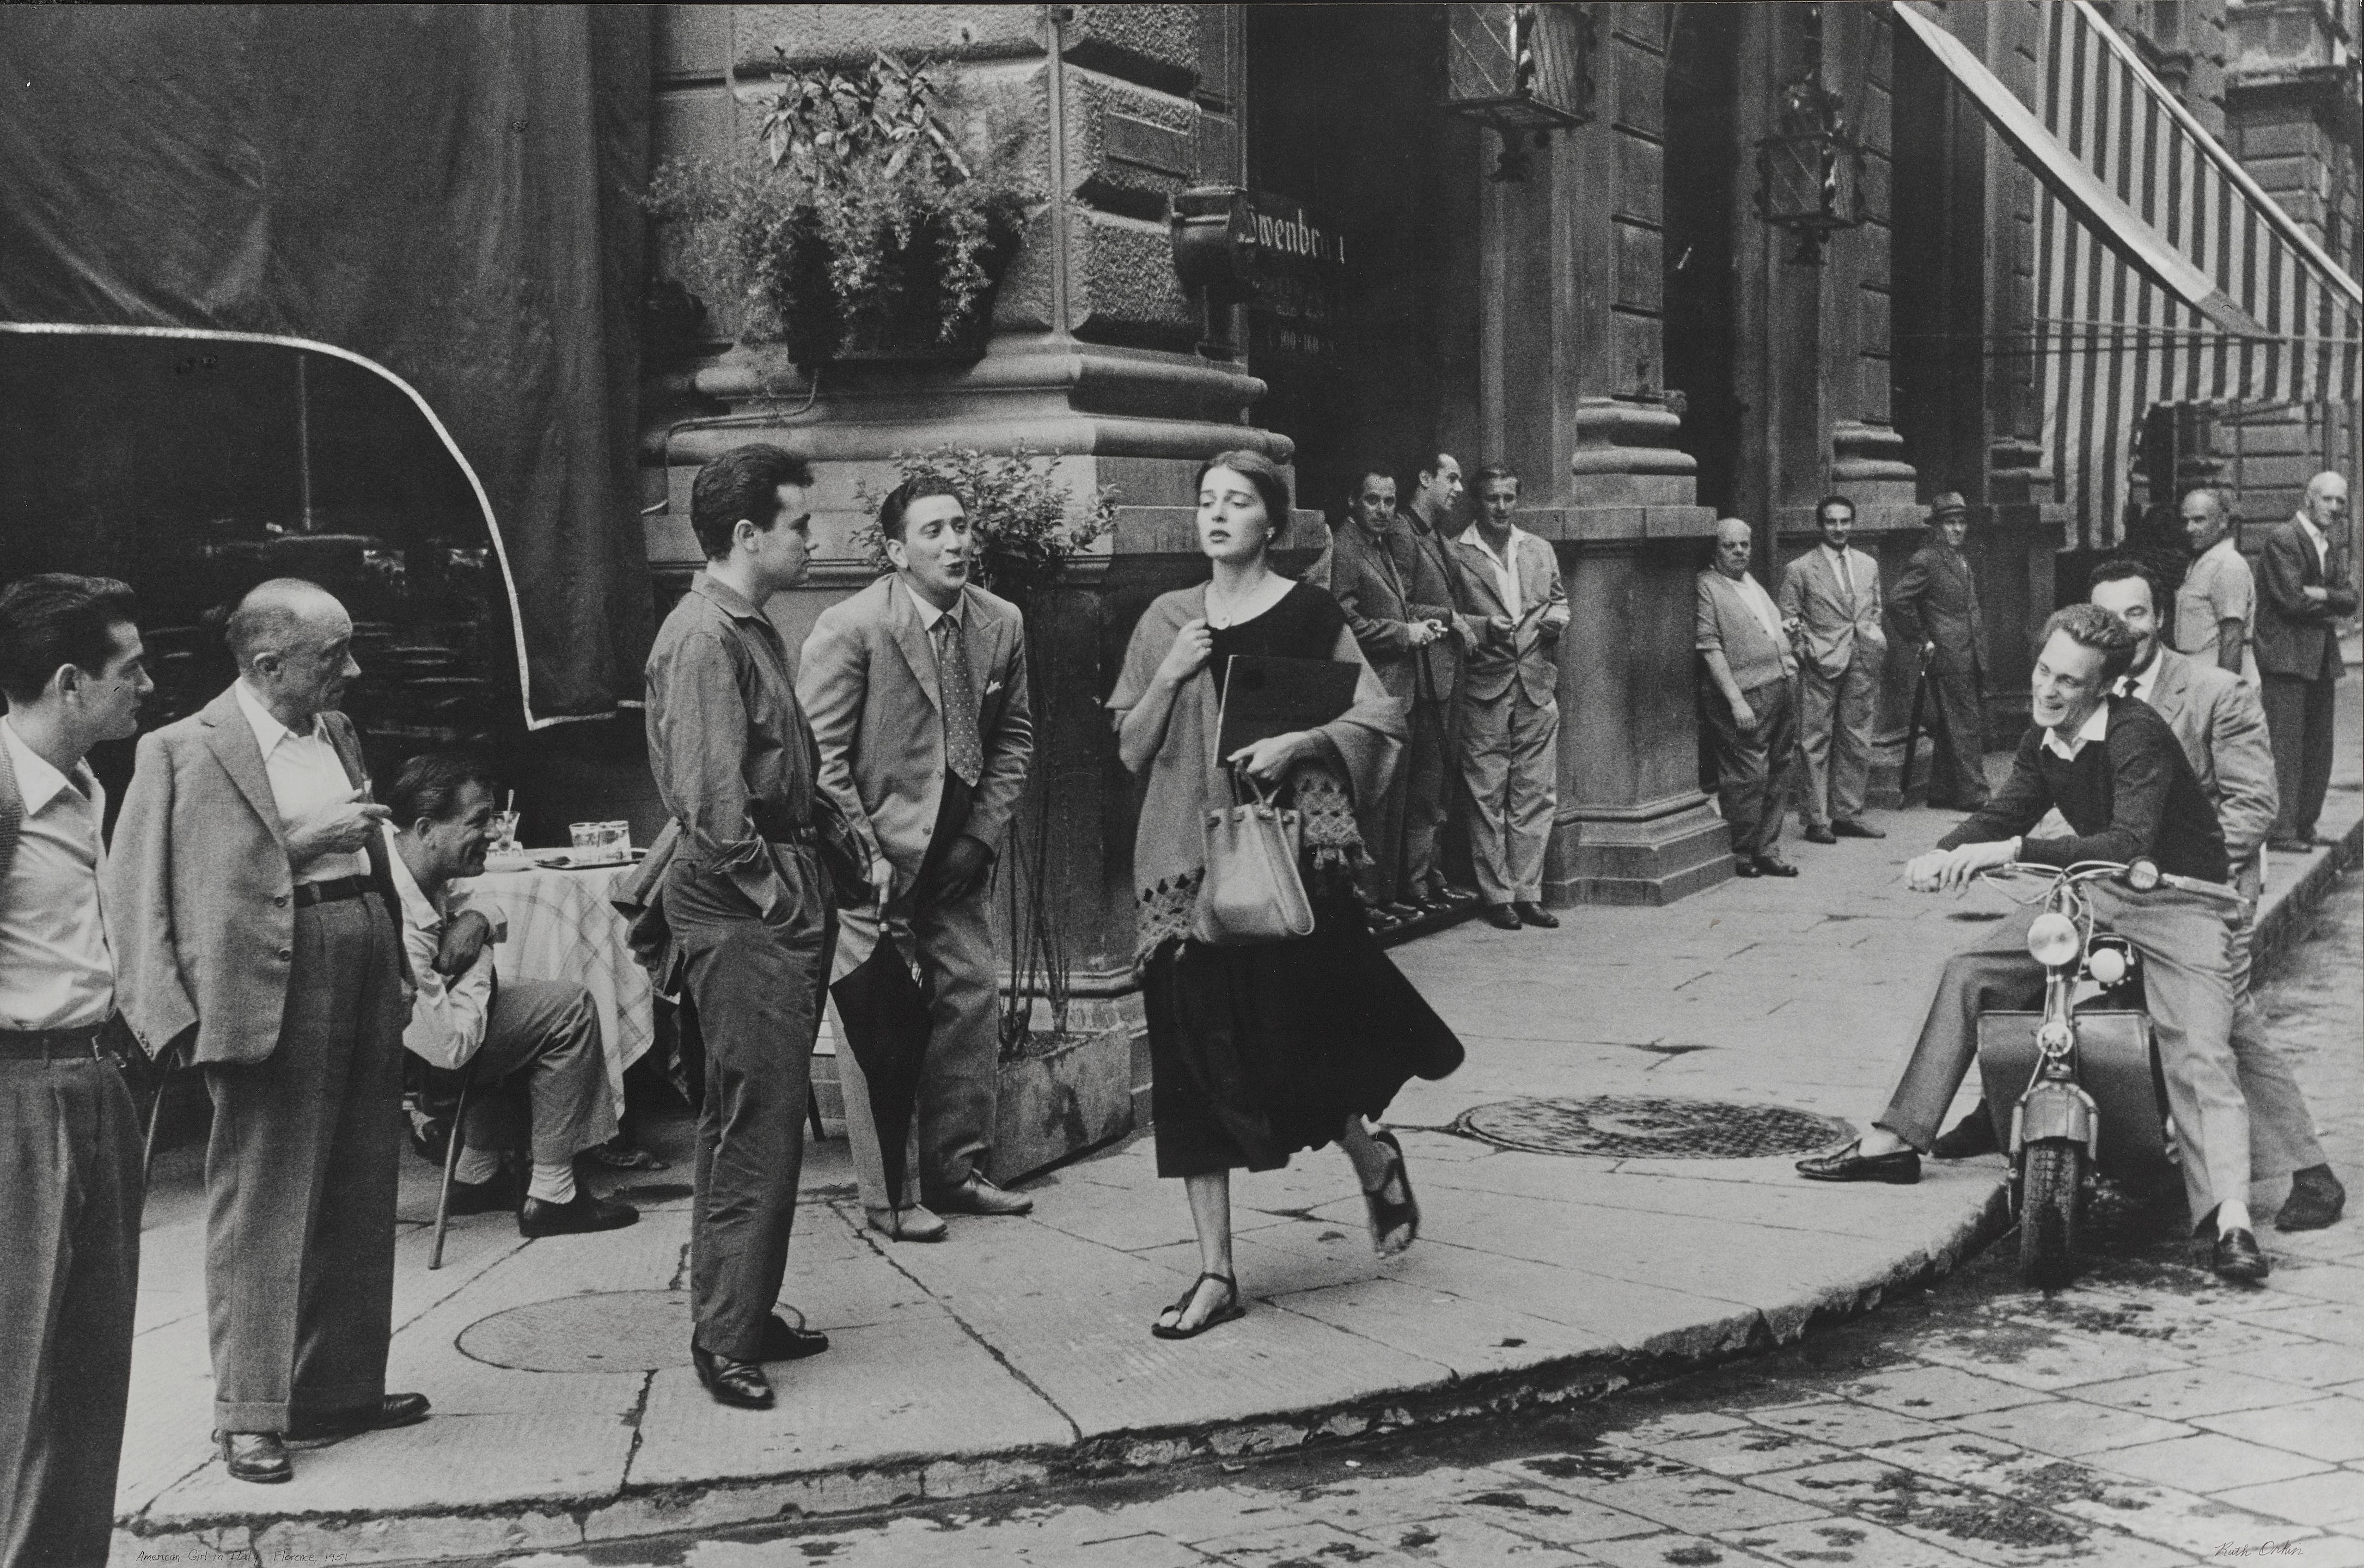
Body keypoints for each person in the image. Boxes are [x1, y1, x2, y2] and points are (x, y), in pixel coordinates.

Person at [1797, 605, 2268, 1283]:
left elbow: (2126, 841)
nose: (2048, 691)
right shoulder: (2044, 738)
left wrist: (2007, 852)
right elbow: (2006, 810)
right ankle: (1895, 1140)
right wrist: (1942, 852)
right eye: (2045, 671)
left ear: (2102, 689)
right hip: (2094, 896)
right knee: (1970, 970)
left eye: (2069, 683)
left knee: (2200, 1049)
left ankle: (2230, 1220)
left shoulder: (2138, 735)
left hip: (2179, 903)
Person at [1109, 449, 1463, 1338]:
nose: (1217, 516)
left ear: (1273, 523)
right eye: (1206, 502)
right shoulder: (1166, 619)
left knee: (1293, 1051)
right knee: (1192, 1071)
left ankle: (1368, 1154)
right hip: (1185, 866)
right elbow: (1129, 748)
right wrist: (1169, 674)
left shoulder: (1308, 615)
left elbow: (1379, 715)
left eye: (1236, 503)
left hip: (1290, 863)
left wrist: (1299, 743)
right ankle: (1215, 1271)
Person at [108, 578, 423, 1483]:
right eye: (335, 656)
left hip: (359, 951)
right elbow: (139, 893)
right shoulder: (180, 750)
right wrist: (165, 1020)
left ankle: (339, 1388)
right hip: (265, 979)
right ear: (267, 662)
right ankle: (249, 1414)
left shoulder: (337, 731)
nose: (353, 670)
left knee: (362, 1180)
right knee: (263, 1200)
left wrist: (398, 961)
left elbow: (372, 857)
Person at [1927, 562, 2342, 1230]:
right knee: (2026, 960)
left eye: (2137, 613)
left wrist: (2168, 872)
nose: (2125, 627)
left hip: (2195, 886)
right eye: (2108, 615)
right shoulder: (2076, 695)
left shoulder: (2214, 691)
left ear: (2160, 621)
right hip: (2108, 879)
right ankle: (1999, 1110)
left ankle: (2306, 1171)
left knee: (2221, 1028)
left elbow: (2252, 804)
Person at [642, 444, 835, 1411]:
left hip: (765, 897)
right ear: (748, 535)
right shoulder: (705, 639)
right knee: (754, 1120)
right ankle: (725, 1337)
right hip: (743, 907)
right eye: (802, 525)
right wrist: (783, 897)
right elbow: (716, 807)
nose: (815, 540)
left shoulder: (742, 627)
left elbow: (775, 764)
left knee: (757, 1117)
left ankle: (742, 1306)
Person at [799, 476, 1037, 1242]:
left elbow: (1013, 739)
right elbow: (821, 761)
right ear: (897, 551)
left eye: (962, 527)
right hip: (870, 862)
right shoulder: (853, 626)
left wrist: (980, 836)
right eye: (932, 531)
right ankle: (891, 1198)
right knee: (882, 1028)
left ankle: (958, 1171)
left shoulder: (1001, 624)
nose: (955, 542)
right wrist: (864, 857)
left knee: (969, 1000)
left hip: (956, 855)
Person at [0, 575, 151, 1567]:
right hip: (20, 1097)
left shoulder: (86, 787)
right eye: (130, 668)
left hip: (95, 1084)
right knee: (21, 1385)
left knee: (93, 1373)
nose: (148, 683)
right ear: (69, 683)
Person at [382, 752, 637, 1237]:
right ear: (426, 828)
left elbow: (477, 905)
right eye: (479, 821)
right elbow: (451, 1050)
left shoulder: (414, 867)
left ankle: (478, 1171)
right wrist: (478, 958)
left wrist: (477, 921)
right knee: (569, 1010)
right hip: (417, 1068)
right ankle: (553, 1193)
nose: (495, 834)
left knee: (518, 1005)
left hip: (423, 1042)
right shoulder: (402, 916)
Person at [1327, 466, 1458, 924]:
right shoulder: (1344, 548)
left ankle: (1384, 897)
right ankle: (1364, 901)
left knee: (1396, 798)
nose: (1382, 510)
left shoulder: (1379, 545)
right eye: (1372, 501)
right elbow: (1344, 620)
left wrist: (1428, 622)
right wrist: (1404, 633)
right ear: (1352, 502)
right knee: (1374, 800)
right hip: (1372, 688)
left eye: (1388, 501)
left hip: (1398, 689)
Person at [1446, 465, 1568, 930]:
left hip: (1537, 681)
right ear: (1477, 502)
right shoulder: (1457, 553)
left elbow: (1558, 599)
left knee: (1535, 792)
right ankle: (1496, 895)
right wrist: (1480, 628)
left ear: (1518, 499)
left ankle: (1528, 891)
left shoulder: (1538, 548)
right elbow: (1447, 614)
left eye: (1509, 498)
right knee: (1486, 792)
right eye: (1492, 498)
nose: (1501, 507)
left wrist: (1559, 618)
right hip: (1484, 682)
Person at [2255, 470, 2355, 852]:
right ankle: (2281, 831)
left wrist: (2323, 595)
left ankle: (2303, 825)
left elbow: (2352, 600)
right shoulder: (2283, 538)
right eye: (2326, 499)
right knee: (2285, 746)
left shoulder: (2328, 545)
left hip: (2318, 658)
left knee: (2317, 746)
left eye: (2340, 501)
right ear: (2308, 499)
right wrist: (2333, 601)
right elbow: (2291, 600)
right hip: (2285, 659)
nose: (2333, 507)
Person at [1779, 494, 1889, 843]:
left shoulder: (1868, 564)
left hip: (1861, 660)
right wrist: (1806, 650)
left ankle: (1848, 813)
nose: (1839, 528)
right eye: (1832, 522)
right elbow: (1788, 618)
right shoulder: (1800, 568)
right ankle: (1816, 819)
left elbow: (1875, 609)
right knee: (1815, 740)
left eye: (1845, 521)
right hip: (1821, 663)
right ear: (1821, 525)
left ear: (1853, 524)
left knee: (1857, 738)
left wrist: (1872, 640)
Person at [1695, 519, 1799, 879]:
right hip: (1746, 694)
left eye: (1745, 544)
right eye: (1730, 546)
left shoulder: (1749, 582)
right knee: (1746, 774)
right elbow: (1709, 647)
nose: (1740, 551)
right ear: (1715, 550)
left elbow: (1762, 627)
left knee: (1779, 768)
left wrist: (1786, 635)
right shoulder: (1707, 585)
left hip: (1781, 685)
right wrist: (1735, 700)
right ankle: (1741, 850)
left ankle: (1767, 849)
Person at [1400, 452, 1481, 910]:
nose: (1458, 488)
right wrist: (1452, 619)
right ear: (1425, 477)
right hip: (1423, 676)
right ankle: (1415, 885)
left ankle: (1431, 877)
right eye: (1451, 478)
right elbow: (1400, 604)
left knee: (1440, 783)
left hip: (1447, 674)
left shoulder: (1435, 535)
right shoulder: (1401, 531)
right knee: (1426, 785)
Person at [1889, 492, 1992, 811]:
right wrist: (1922, 638)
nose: (1957, 529)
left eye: (1961, 522)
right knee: (1965, 722)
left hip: (1968, 650)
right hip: (1948, 654)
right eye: (1950, 523)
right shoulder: (1928, 559)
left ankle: (1944, 791)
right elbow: (1897, 601)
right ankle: (1975, 795)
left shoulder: (1959, 558)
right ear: (1936, 527)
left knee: (1953, 722)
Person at [2173, 486, 2257, 682]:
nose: (2189, 528)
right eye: (2185, 521)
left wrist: (2226, 695)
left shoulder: (2228, 564)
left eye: (2199, 520)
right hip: (2197, 672)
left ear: (2222, 522)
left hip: (2215, 675)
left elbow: (2232, 638)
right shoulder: (2203, 560)